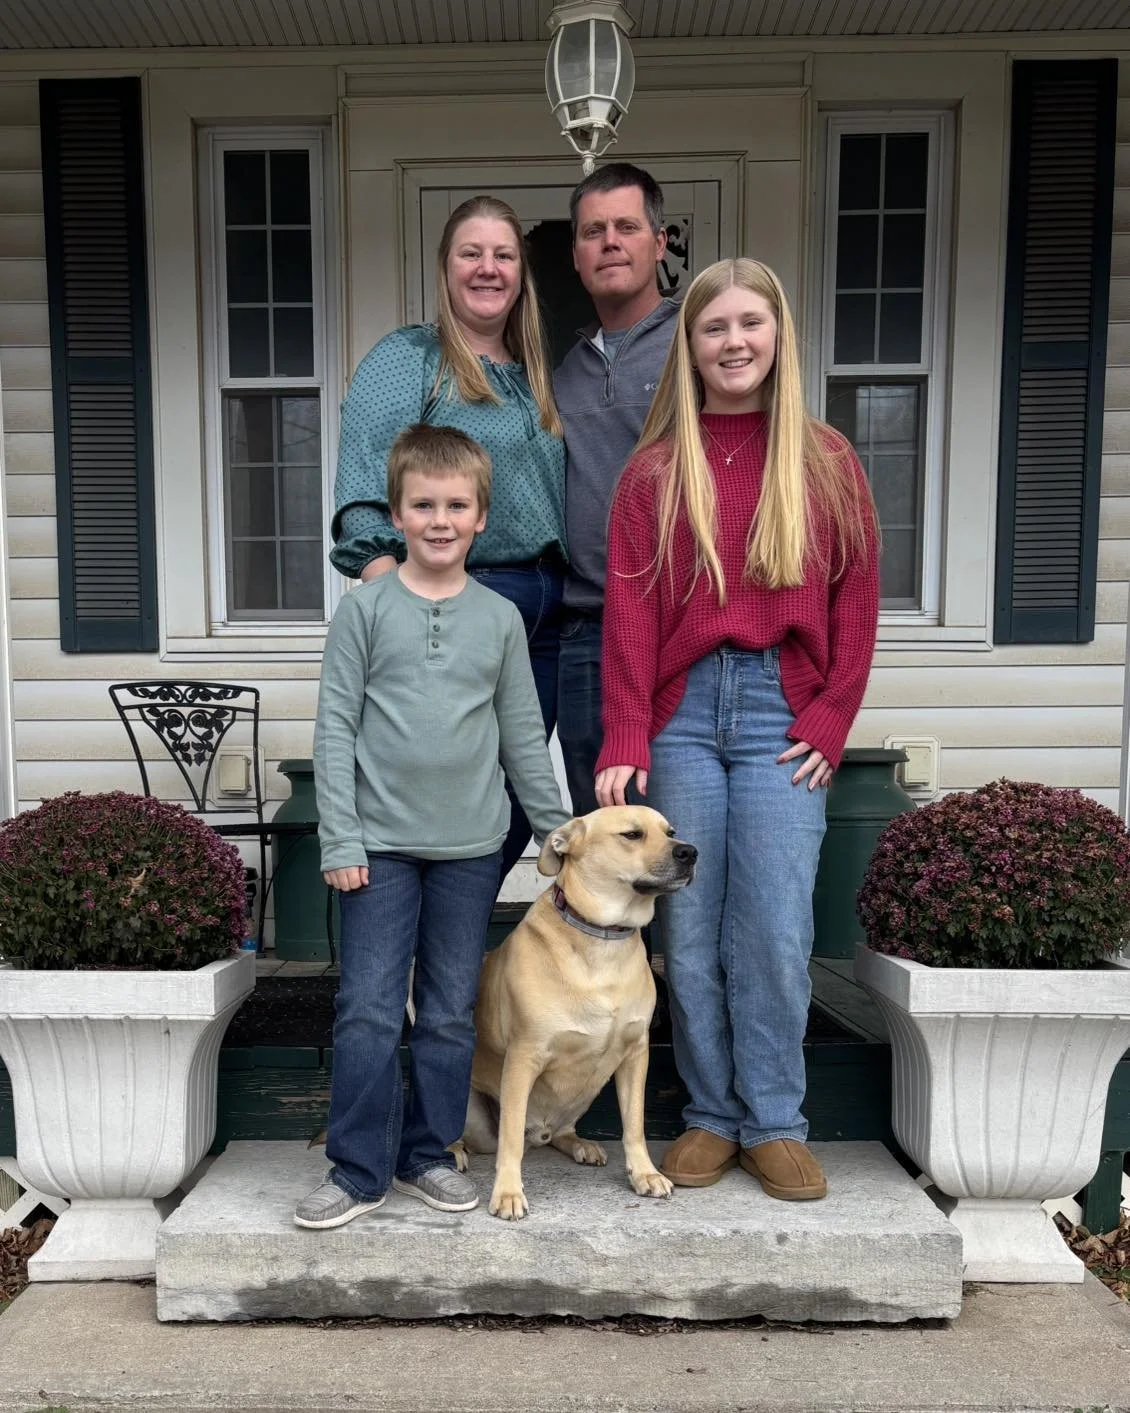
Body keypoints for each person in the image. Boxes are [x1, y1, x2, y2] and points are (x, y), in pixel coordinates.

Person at [594, 259, 880, 1202]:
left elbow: (857, 599)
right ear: (691, 345)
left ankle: (776, 1120)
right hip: (680, 718)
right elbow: (630, 620)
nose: (735, 342)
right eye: (715, 327)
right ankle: (712, 1113)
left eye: (751, 323)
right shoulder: (653, 474)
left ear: (778, 336)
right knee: (690, 924)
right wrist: (625, 736)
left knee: (770, 926)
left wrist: (833, 714)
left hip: (781, 713)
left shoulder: (828, 462)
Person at [297, 424, 568, 1229]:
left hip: (471, 850)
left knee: (451, 1009)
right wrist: (339, 837)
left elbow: (523, 735)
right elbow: (333, 730)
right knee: (370, 1007)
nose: (440, 519)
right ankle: (355, 1168)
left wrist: (556, 832)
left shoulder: (499, 620)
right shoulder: (365, 610)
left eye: (456, 505)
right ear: (397, 513)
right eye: (424, 504)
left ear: (482, 516)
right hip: (376, 848)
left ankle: (427, 1152)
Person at [331, 196, 566, 882]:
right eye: (471, 252)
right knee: (442, 787)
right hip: (461, 591)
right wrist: (401, 600)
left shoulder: (534, 374)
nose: (487, 268)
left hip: (550, 610)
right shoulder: (410, 358)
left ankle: (451, 963)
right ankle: (412, 961)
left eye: (503, 254)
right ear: (445, 267)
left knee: (513, 794)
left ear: (521, 272)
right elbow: (361, 488)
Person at [553, 163, 679, 816]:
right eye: (592, 231)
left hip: (678, 627)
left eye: (627, 226)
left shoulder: (696, 345)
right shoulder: (566, 372)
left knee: (676, 833)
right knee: (604, 836)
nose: (609, 241)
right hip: (586, 633)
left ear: (660, 243)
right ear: (575, 255)